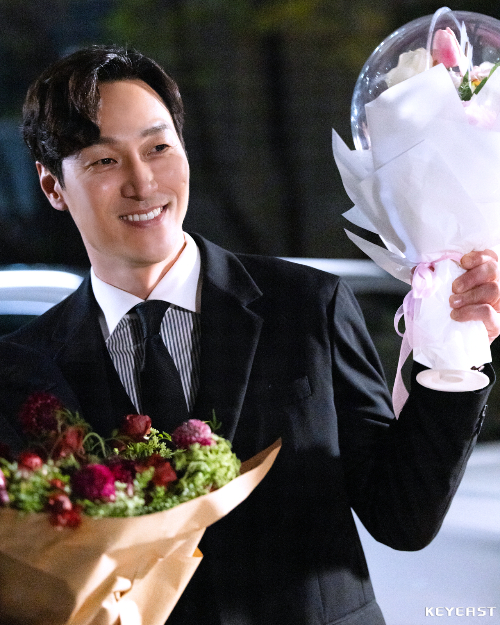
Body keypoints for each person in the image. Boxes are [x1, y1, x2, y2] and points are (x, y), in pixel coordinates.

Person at [2, 45, 499, 624]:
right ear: (52, 186)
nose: (143, 182)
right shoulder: (21, 370)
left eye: (159, 148)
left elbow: (402, 518)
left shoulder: (307, 306)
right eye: (104, 161)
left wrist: (454, 356)